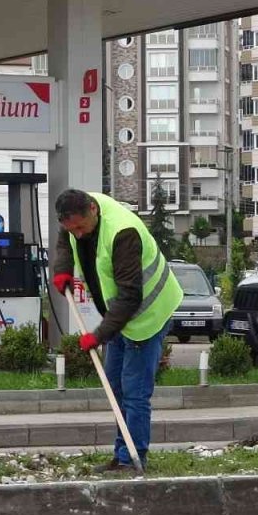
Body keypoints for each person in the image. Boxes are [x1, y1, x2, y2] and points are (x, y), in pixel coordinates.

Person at [52, 189, 184, 472]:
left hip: (147, 313)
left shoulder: (123, 233)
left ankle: (133, 459)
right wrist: (63, 269)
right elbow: (64, 242)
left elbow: (130, 296)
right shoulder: (75, 214)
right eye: (70, 228)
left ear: (93, 210)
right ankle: (122, 451)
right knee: (115, 386)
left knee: (134, 391)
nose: (77, 234)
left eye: (80, 227)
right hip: (119, 317)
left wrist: (99, 334)